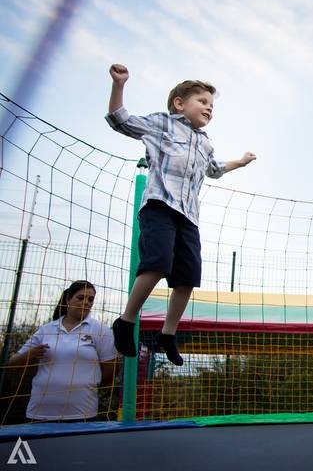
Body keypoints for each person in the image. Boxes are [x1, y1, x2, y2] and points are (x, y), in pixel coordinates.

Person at [106, 64, 257, 366]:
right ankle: (126, 320)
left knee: (187, 276)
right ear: (179, 103)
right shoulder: (162, 124)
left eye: (212, 106)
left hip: (189, 216)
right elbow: (119, 121)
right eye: (202, 102)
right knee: (158, 262)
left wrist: (239, 163)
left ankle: (168, 334)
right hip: (160, 206)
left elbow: (214, 170)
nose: (209, 109)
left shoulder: (205, 142)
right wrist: (119, 85)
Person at [7, 281, 118, 422]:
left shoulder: (101, 331)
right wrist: (29, 355)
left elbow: (111, 369)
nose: (86, 302)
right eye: (80, 297)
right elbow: (12, 363)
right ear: (67, 300)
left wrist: (87, 384)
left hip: (81, 412)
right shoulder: (47, 330)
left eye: (90, 299)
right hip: (40, 411)